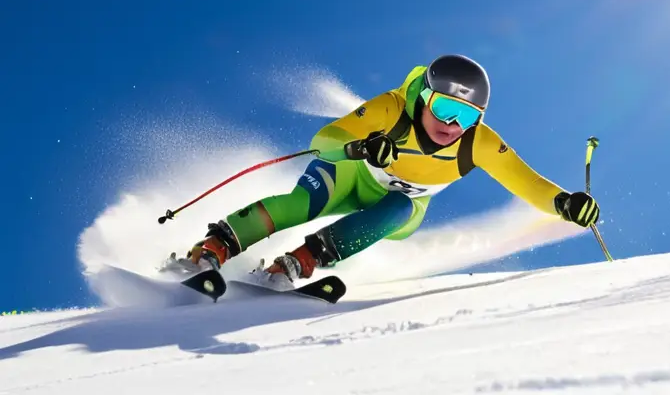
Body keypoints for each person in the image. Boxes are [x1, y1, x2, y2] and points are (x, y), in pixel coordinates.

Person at [174, 54, 600, 284]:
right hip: (349, 178)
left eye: (466, 116)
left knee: (398, 208)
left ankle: (301, 261)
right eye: (445, 107)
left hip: (399, 208)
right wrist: (361, 145)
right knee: (303, 202)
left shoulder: (478, 143)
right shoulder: (392, 109)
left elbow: (526, 183)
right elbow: (323, 141)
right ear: (425, 97)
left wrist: (564, 203)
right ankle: (215, 246)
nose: (452, 125)